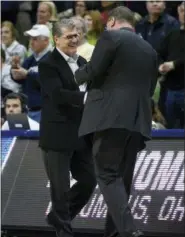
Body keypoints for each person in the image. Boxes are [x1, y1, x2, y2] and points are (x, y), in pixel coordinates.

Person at [75, 6, 158, 237]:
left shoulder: (111, 36)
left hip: (109, 117)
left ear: (111, 22)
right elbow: (151, 88)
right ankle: (114, 234)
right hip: (137, 121)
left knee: (108, 175)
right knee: (121, 180)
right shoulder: (150, 49)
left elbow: (94, 70)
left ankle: (130, 232)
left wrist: (75, 72)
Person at [38, 19, 96, 237]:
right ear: (56, 39)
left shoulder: (82, 61)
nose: (75, 39)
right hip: (57, 135)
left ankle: (58, 217)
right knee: (60, 189)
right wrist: (88, 98)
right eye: (69, 36)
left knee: (90, 179)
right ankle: (63, 230)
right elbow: (57, 95)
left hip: (81, 134)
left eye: (76, 35)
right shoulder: (47, 64)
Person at [11, 24, 52, 123]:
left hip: (44, 111)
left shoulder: (53, 58)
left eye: (35, 39)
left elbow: (49, 81)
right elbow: (21, 79)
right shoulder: (31, 58)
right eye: (30, 39)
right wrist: (14, 68)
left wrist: (28, 74)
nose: (31, 42)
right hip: (28, 109)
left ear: (46, 41)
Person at [158, 2, 184, 128]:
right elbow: (159, 53)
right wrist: (160, 66)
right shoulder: (173, 34)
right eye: (183, 11)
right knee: (172, 129)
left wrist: (174, 64)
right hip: (171, 89)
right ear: (178, 11)